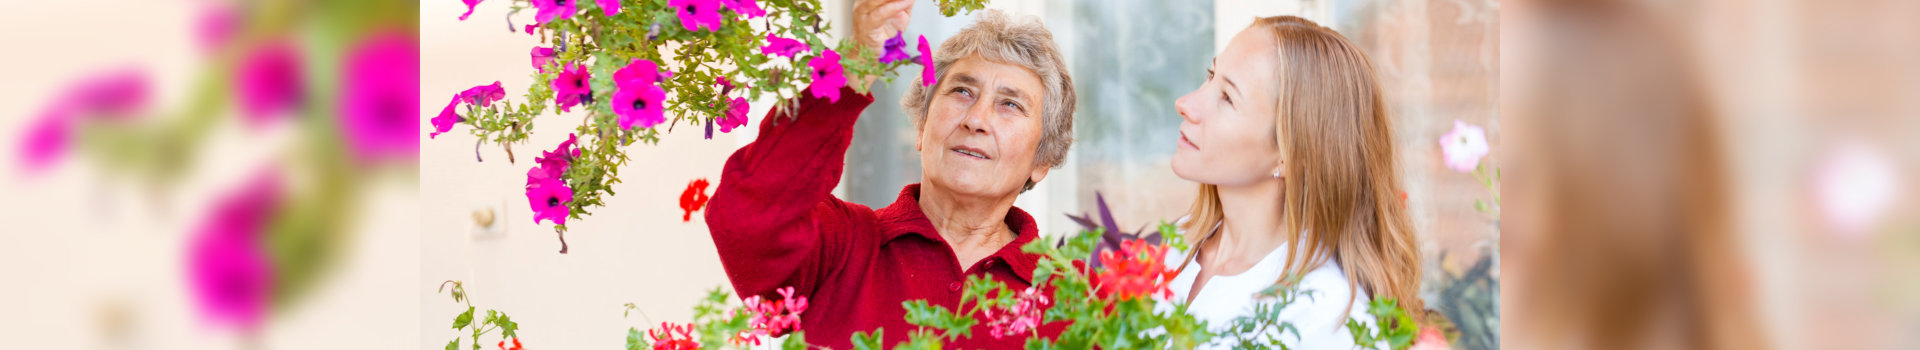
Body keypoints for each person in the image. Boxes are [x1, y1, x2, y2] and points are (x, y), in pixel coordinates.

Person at [702, 2, 1078, 347]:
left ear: (1041, 160)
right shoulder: (839, 247)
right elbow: (747, 214)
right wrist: (856, 64)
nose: (976, 119)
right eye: (962, 91)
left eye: (1010, 104)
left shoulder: (1078, 301)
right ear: (920, 127)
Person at [1161, 15, 1423, 349]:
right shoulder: (1178, 246)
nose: (1185, 104)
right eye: (1211, 76)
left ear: (1288, 155)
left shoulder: (1327, 320)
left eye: (1228, 97)